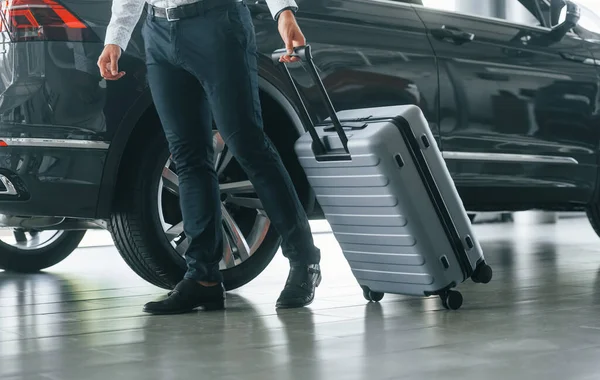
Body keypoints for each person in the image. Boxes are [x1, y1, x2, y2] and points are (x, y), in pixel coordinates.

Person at [97, 0, 322, 314]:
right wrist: (115, 38)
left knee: (247, 145)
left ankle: (304, 260)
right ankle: (203, 279)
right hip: (158, 31)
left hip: (217, 22)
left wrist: (283, 12)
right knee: (187, 156)